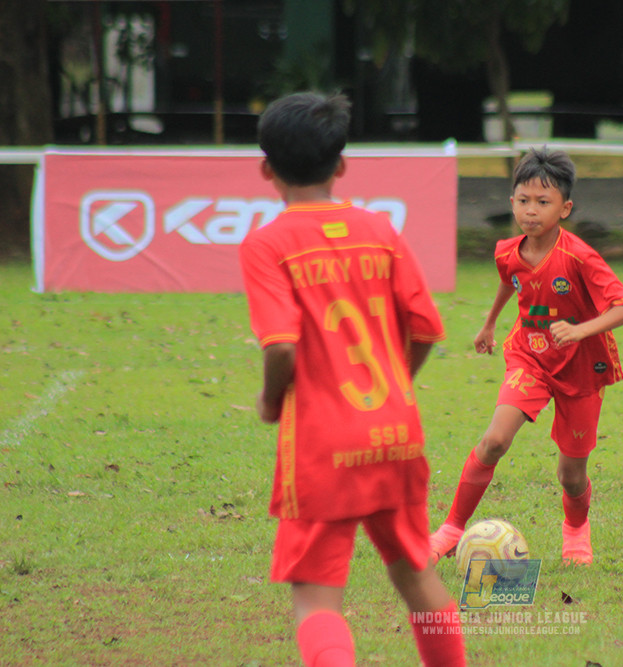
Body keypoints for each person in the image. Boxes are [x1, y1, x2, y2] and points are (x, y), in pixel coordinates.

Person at [239, 92, 465, 667]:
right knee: (417, 575)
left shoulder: (268, 244)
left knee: (316, 596)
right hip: (395, 433)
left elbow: (281, 346)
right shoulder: (380, 231)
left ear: (266, 168)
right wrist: (396, 381)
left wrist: (269, 401)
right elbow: (426, 328)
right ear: (340, 164)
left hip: (322, 444)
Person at [429, 147, 623, 566]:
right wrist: (489, 324)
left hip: (582, 367)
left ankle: (575, 530)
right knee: (494, 441)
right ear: (512, 203)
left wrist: (579, 330)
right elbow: (511, 280)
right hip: (530, 357)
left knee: (571, 475)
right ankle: (450, 529)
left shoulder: (580, 256)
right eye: (523, 200)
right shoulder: (508, 251)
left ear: (565, 208)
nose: (531, 210)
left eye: (543, 202)